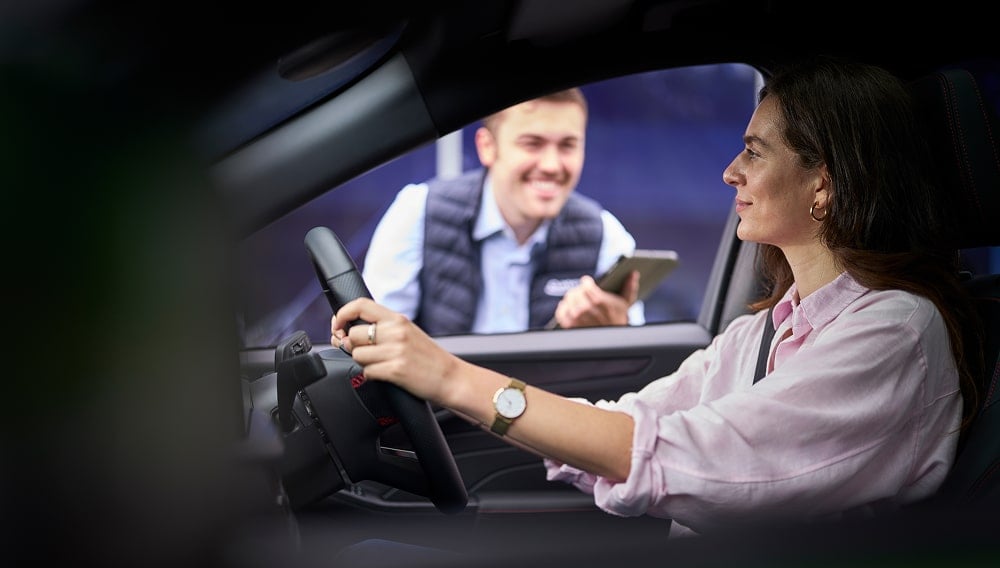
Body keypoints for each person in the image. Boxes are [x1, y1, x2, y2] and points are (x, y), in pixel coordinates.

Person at [331, 56, 983, 536]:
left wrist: (446, 374)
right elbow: (626, 424)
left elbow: (668, 454)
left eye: (755, 152)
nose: (732, 171)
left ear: (824, 185)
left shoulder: (897, 332)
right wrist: (440, 376)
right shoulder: (758, 334)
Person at [360, 87, 646, 335]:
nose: (551, 165)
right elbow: (376, 341)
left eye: (567, 146)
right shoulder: (417, 212)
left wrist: (614, 333)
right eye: (532, 144)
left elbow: (634, 371)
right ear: (487, 147)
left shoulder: (606, 235)